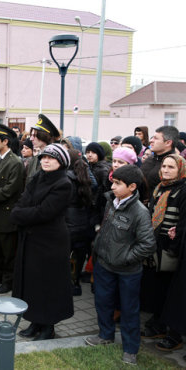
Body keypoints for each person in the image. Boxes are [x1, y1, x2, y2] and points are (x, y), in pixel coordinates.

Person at [85, 165, 155, 366]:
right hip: (104, 265)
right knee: (103, 302)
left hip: (127, 271)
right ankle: (105, 335)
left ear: (132, 187)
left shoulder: (140, 212)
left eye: (117, 183)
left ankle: (130, 349)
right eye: (113, 182)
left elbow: (148, 244)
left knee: (129, 309)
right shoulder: (110, 202)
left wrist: (125, 258)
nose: (112, 186)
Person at [11, 144, 73, 341]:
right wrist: (21, 212)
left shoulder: (64, 183)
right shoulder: (38, 176)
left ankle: (48, 326)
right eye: (44, 157)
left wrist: (20, 214)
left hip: (50, 242)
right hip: (32, 239)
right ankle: (35, 321)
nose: (46, 160)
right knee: (33, 283)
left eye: (51, 158)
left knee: (49, 285)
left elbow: (44, 212)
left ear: (61, 162)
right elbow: (23, 200)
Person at [141, 154, 186, 351]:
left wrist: (173, 245)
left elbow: (181, 221)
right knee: (158, 289)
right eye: (164, 166)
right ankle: (157, 324)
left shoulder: (183, 190)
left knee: (172, 292)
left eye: (171, 167)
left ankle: (173, 333)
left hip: (171, 248)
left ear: (181, 170)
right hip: (155, 246)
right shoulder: (160, 188)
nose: (166, 170)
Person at [0, 123, 24, 294]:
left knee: (8, 251)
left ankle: (8, 280)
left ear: (6, 141)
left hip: (6, 214)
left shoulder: (15, 162)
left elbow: (9, 190)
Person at [66, 149, 95, 296]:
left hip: (69, 222)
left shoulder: (67, 178)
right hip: (83, 222)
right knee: (79, 254)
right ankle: (75, 283)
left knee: (67, 255)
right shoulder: (85, 177)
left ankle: (66, 284)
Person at [141, 126, 179, 200]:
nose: (151, 140)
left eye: (156, 138)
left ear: (168, 143)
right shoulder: (149, 159)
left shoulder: (176, 164)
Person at [26, 114, 61, 181]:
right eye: (31, 135)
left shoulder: (55, 161)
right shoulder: (34, 159)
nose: (31, 138)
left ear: (44, 136)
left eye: (35, 135)